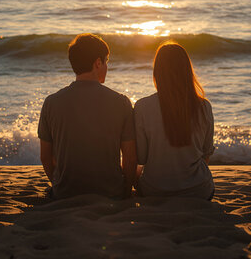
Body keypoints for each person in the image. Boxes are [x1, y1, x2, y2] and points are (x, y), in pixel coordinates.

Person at [38, 33, 137, 199]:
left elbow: (45, 157)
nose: (107, 67)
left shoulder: (51, 102)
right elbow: (130, 157)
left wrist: (58, 185)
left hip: (65, 192)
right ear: (98, 63)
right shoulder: (121, 103)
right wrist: (126, 190)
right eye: (107, 62)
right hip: (110, 192)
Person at [134, 41, 215, 200]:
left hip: (155, 191)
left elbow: (141, 158)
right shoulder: (204, 106)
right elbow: (206, 154)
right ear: (187, 71)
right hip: (199, 190)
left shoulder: (142, 106)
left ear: (157, 72)